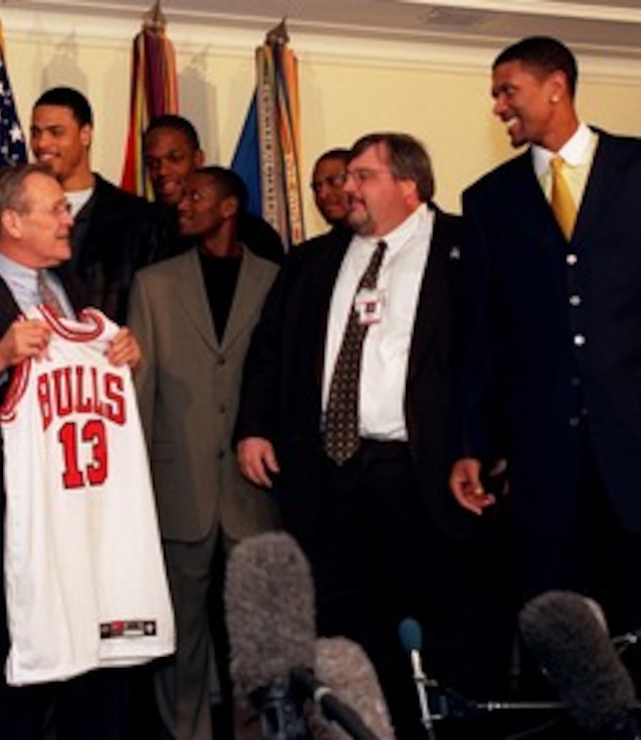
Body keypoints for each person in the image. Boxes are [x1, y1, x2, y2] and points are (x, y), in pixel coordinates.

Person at [449, 36, 641, 696]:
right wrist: (471, 444)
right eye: (494, 95)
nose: (497, 107)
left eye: (506, 90)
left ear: (556, 87)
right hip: (547, 470)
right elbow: (483, 340)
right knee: (565, 644)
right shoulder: (489, 199)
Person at [236, 133, 505, 736]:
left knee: (447, 626)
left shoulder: (465, 247)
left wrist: (483, 448)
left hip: (426, 474)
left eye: (362, 176)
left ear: (409, 185)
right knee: (346, 629)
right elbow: (270, 351)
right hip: (329, 478)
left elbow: (496, 355)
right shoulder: (313, 260)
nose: (345, 188)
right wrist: (254, 428)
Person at [0, 164, 156, 739]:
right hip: (11, 520)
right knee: (19, 663)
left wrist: (121, 355)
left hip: (85, 512)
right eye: (56, 209)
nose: (68, 218)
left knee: (95, 661)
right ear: (13, 220)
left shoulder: (78, 295)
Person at [128, 166, 280, 740]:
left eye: (195, 195)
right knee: (180, 635)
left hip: (253, 489)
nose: (180, 203)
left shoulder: (275, 280)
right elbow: (140, 396)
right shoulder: (153, 284)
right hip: (176, 488)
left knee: (253, 631)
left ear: (228, 206)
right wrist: (135, 489)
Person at [30, 86, 171, 322]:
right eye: (36, 133)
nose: (42, 143)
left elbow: (153, 309)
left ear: (85, 134)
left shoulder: (138, 219)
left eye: (56, 132)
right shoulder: (19, 212)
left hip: (111, 353)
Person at [144, 114, 286, 264]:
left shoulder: (253, 233)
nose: (162, 171)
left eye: (175, 158)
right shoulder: (138, 228)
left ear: (198, 159)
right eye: (152, 163)